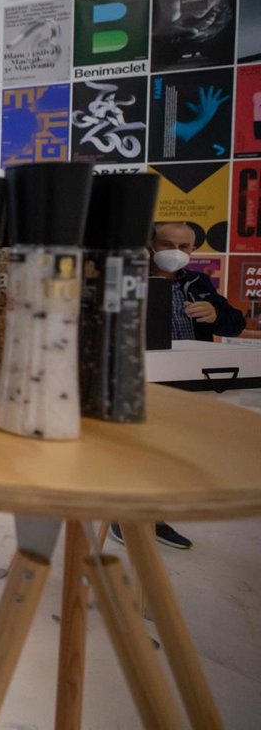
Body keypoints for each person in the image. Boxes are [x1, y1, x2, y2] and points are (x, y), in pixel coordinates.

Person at [111, 222, 247, 550]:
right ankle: (130, 518)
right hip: (141, 376)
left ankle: (151, 513)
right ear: (151, 245)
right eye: (166, 244)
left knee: (173, 450)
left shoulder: (199, 282)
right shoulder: (129, 278)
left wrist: (216, 315)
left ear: (193, 250)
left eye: (184, 247)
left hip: (188, 378)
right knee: (139, 448)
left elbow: (236, 324)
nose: (175, 252)